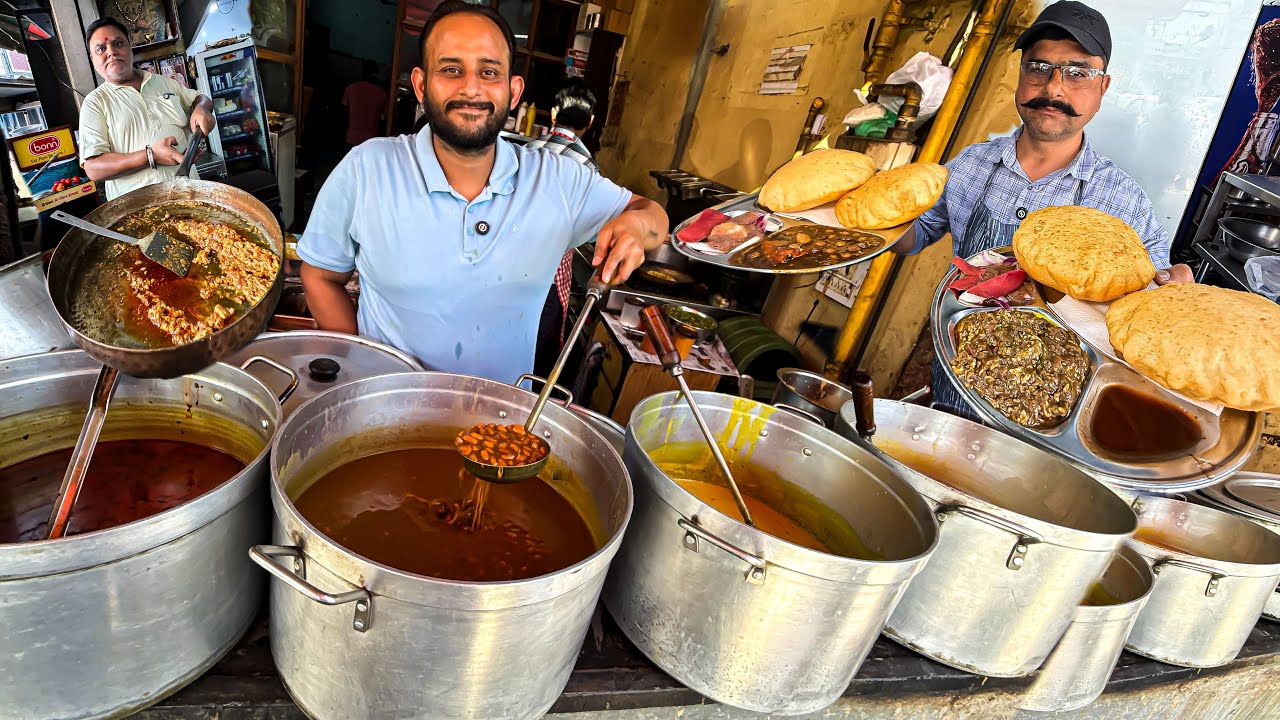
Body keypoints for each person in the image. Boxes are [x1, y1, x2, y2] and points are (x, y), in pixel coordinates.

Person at [298, 1, 667, 382]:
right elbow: (320, 276)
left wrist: (637, 228)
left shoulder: (559, 180)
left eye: (488, 72)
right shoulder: (367, 169)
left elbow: (653, 214)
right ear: (422, 85)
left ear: (513, 90)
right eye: (451, 70)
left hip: (499, 425)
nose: (471, 88)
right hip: (381, 414)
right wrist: (359, 370)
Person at [898, 0, 1194, 416]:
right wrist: (873, 224)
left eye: (1077, 73)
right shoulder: (969, 165)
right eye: (1039, 68)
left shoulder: (1125, 202)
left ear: (1102, 87)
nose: (1054, 88)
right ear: (1020, 75)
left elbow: (1146, 309)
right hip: (957, 371)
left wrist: (1172, 293)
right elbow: (917, 234)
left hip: (1048, 403)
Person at [78, 17, 214, 200]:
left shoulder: (161, 82)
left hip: (189, 194)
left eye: (118, 43)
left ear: (130, 45)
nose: (111, 52)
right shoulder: (95, 103)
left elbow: (199, 98)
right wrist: (151, 156)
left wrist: (202, 108)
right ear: (92, 58)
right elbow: (93, 168)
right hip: (139, 211)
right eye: (101, 49)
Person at [526, 79, 599, 377]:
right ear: (591, 122)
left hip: (511, 262)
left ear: (554, 113)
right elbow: (590, 230)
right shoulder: (588, 166)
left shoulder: (528, 150)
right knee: (540, 349)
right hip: (552, 273)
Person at [342, 59, 389, 147]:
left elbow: (343, 114)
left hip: (351, 138)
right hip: (371, 142)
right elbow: (384, 120)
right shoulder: (382, 94)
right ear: (376, 73)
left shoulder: (351, 88)